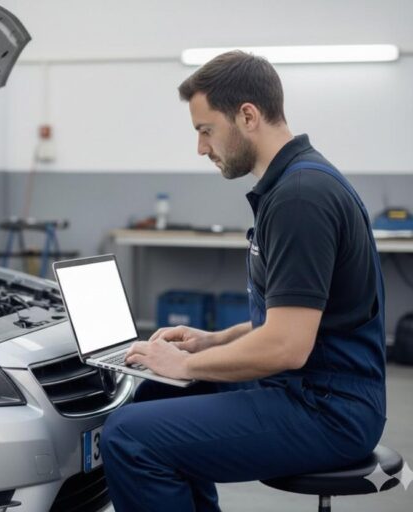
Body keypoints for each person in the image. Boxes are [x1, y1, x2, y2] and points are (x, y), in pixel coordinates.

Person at [100, 50, 387, 512]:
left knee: (130, 437)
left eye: (205, 130)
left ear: (247, 116)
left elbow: (287, 346)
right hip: (305, 389)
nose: (201, 148)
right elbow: (291, 323)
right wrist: (210, 343)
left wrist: (186, 365)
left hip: (328, 410)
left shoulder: (300, 198)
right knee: (148, 399)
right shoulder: (292, 186)